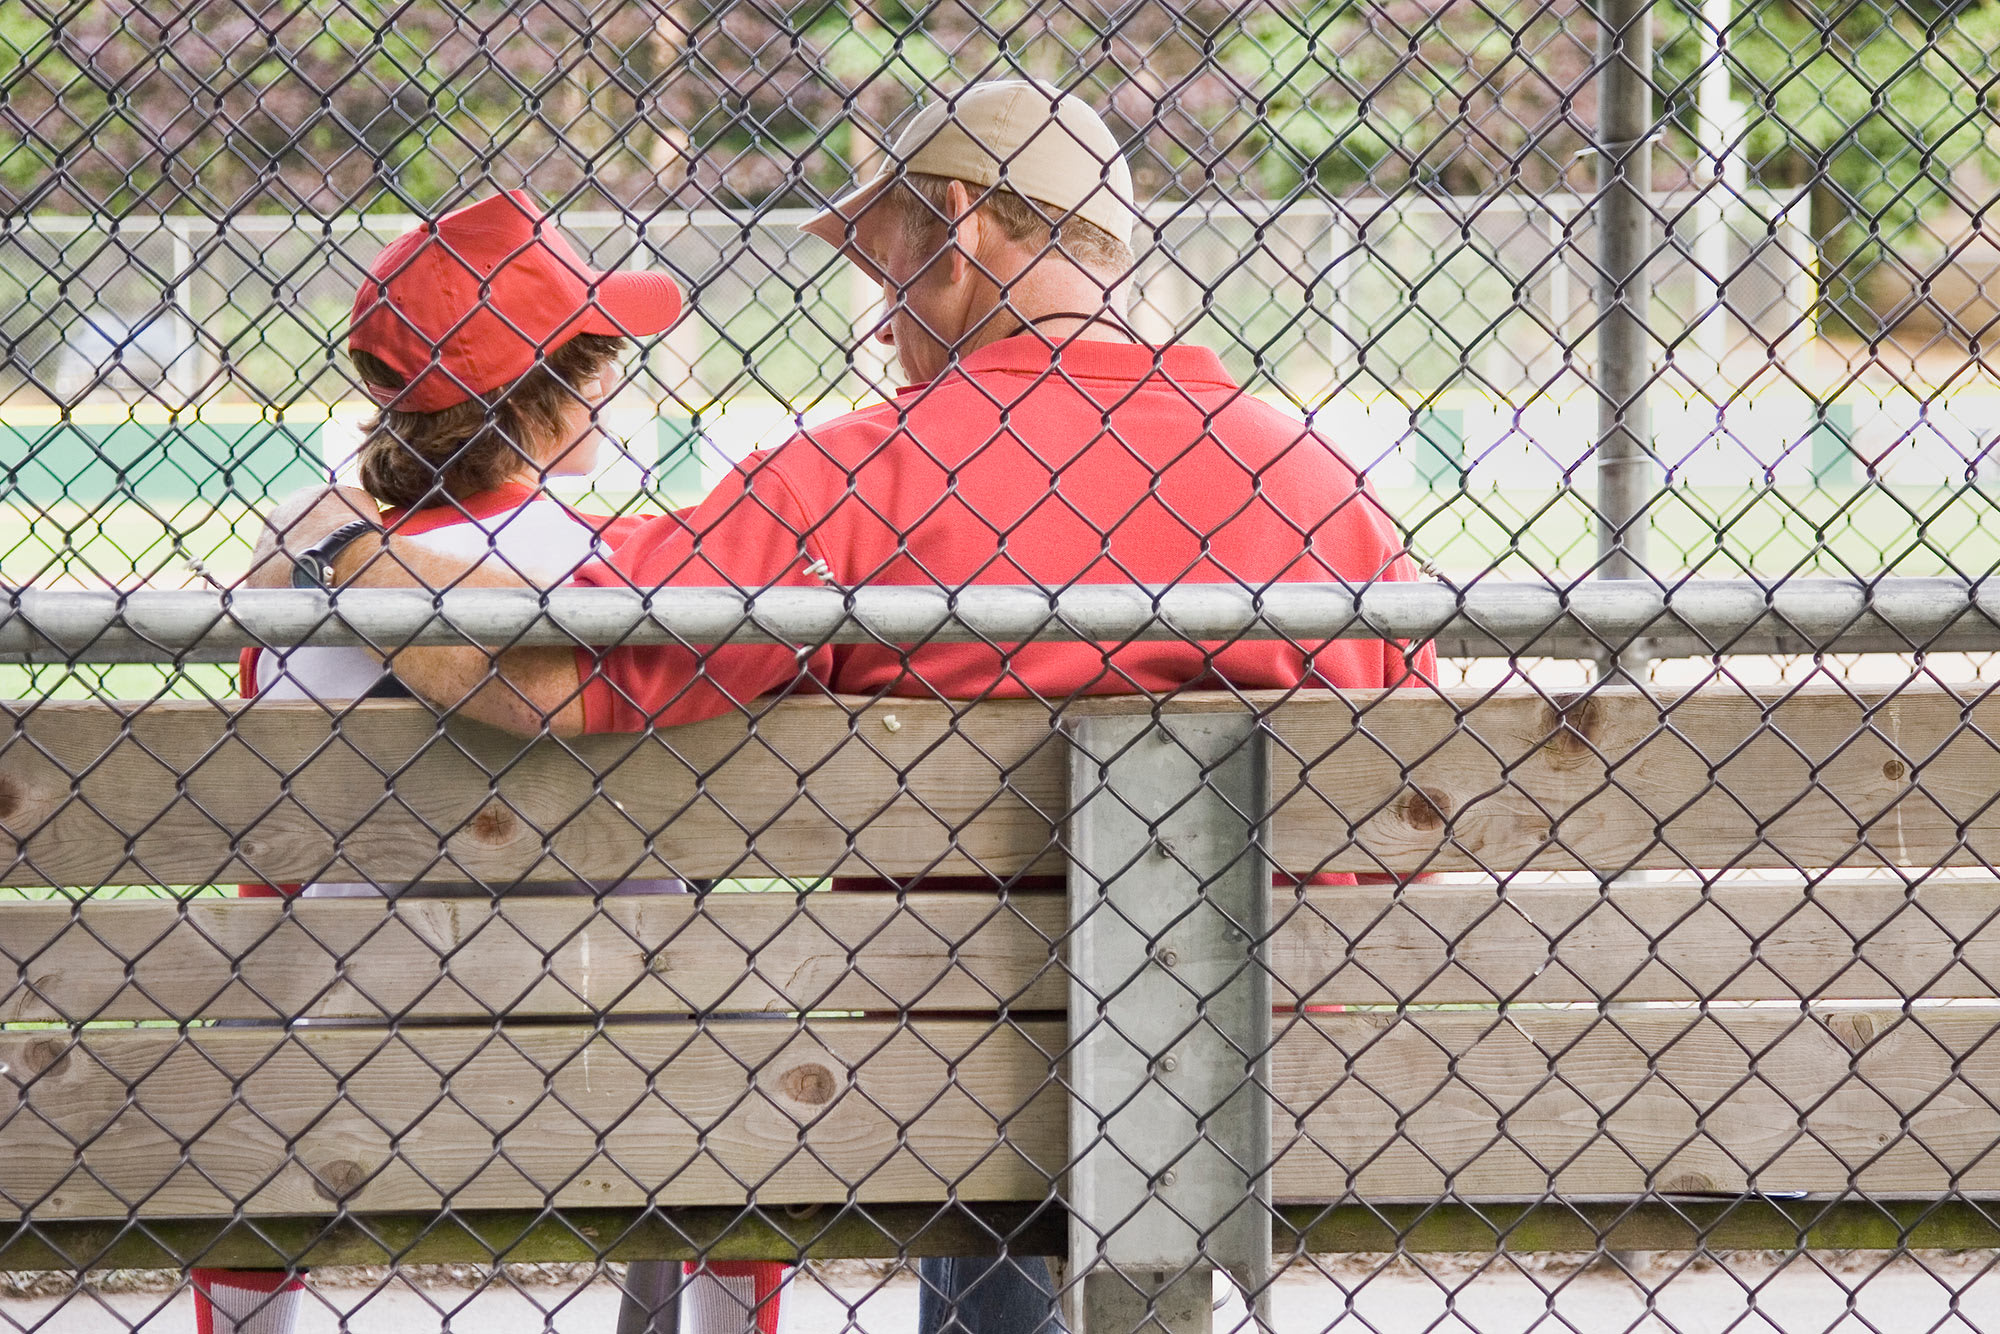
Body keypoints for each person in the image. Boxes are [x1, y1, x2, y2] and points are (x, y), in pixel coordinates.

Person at [251, 80, 1436, 1334]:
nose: (877, 323)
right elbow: (1416, 809)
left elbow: (545, 676)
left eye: (884, 264)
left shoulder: (855, 477)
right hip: (1289, 1087)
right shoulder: (1323, 489)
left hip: (960, 1094)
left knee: (984, 1067)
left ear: (964, 223)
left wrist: (337, 551)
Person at [205, 191, 788, 1334]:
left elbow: (261, 877)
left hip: (343, 1059)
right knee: (735, 1035)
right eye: (594, 358)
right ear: (554, 395)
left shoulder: (304, 581)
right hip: (636, 1057)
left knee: (252, 1027)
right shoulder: (627, 563)